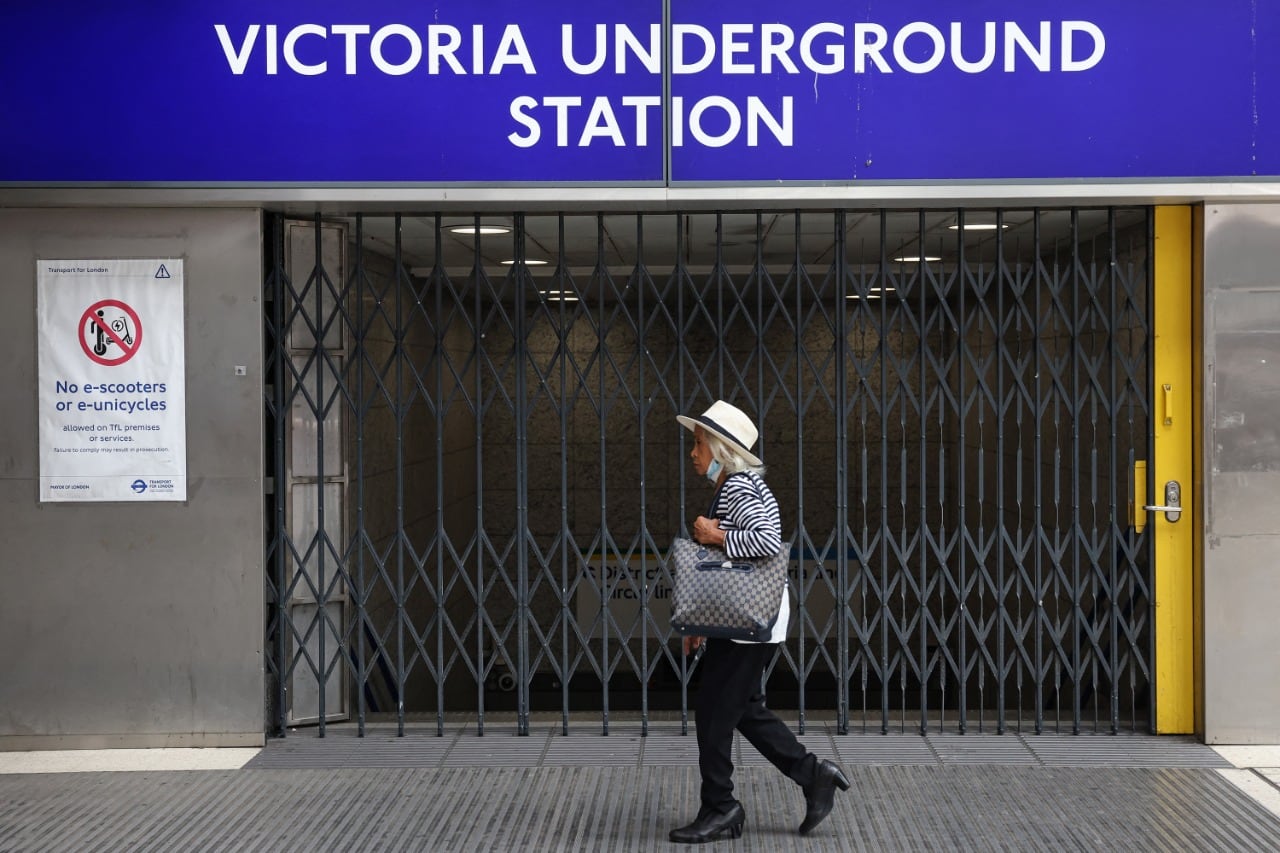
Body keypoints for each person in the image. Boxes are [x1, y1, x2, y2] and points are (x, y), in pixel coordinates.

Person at [670, 400, 850, 844]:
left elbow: (767, 541)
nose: (692, 453)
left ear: (721, 450)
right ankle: (813, 775)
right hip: (744, 619)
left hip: (749, 622)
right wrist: (700, 621)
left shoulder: (740, 486)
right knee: (742, 708)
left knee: (714, 713)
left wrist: (715, 534)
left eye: (699, 444)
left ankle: (721, 807)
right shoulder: (733, 485)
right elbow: (722, 568)